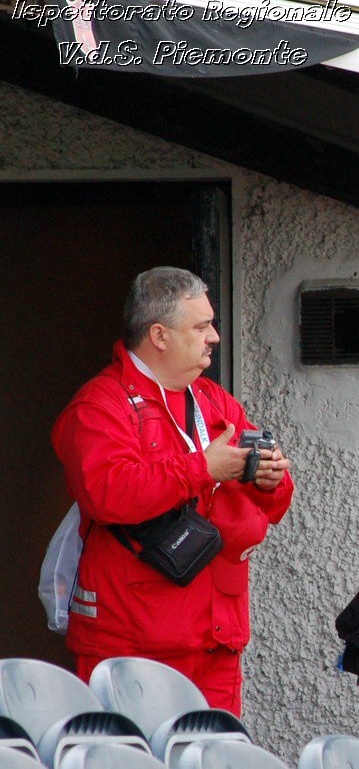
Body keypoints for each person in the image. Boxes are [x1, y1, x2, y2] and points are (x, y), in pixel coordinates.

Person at [52, 267, 293, 715]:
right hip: (133, 644)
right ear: (159, 335)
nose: (214, 338)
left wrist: (272, 481)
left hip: (216, 639)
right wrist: (203, 467)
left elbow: (274, 501)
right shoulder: (100, 405)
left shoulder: (213, 400)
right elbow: (108, 493)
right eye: (201, 326)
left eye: (212, 325)